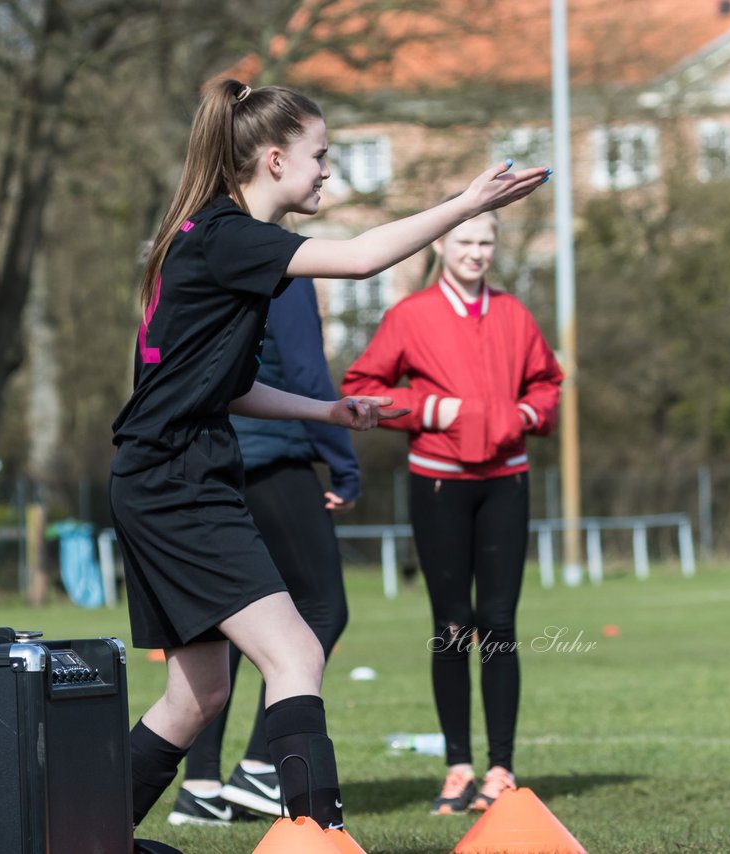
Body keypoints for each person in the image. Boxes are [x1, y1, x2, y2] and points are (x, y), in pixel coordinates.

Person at [109, 76, 547, 851]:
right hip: (175, 478)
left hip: (165, 471)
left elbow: (225, 383)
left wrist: (325, 412)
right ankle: (320, 835)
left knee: (198, 693)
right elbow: (359, 259)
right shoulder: (231, 235)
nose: (328, 173)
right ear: (273, 160)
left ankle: (78, 834)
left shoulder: (214, 237)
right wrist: (467, 204)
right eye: (320, 157)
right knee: (297, 651)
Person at [341, 208, 563, 815]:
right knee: (451, 625)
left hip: (506, 485)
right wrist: (430, 411)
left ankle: (501, 771)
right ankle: (457, 768)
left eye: (487, 242)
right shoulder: (409, 316)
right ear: (441, 245)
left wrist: (524, 415)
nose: (477, 252)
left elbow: (547, 385)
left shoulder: (515, 314)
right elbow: (362, 387)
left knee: (499, 624)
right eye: (465, 240)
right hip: (438, 485)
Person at [168, 276, 360, 827]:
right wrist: (342, 463)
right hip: (271, 456)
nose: (322, 181)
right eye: (317, 178)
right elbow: (304, 371)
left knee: (228, 616)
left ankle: (201, 786)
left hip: (203, 456)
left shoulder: (188, 257)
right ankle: (259, 767)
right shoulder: (282, 265)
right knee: (323, 605)